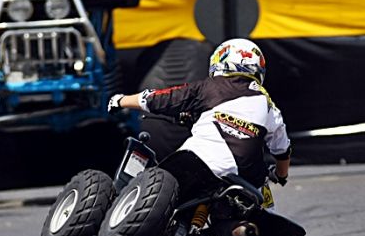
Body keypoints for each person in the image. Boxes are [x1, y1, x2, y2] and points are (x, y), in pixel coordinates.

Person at [107, 38, 292, 194]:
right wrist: (281, 175)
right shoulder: (270, 106)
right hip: (246, 179)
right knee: (265, 205)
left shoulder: (208, 87)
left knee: (155, 182)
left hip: (198, 161)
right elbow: (282, 150)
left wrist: (121, 100)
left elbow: (163, 98)